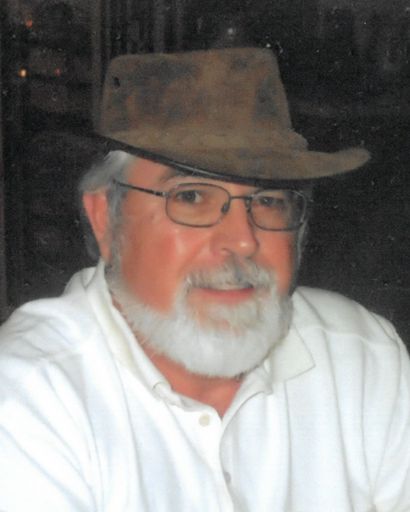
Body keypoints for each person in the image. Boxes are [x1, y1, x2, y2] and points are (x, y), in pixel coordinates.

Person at [0, 48, 409, 511]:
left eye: (269, 200)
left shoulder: (362, 360)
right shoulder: (28, 399)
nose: (243, 240)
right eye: (191, 197)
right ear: (105, 220)